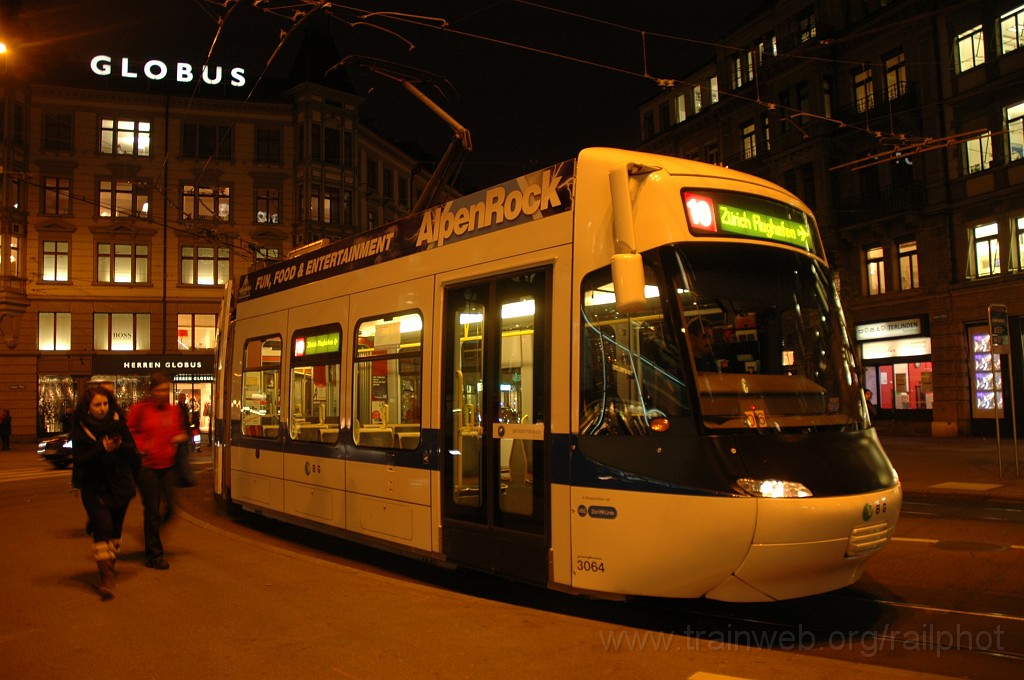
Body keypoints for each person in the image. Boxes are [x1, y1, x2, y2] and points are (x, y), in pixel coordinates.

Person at [69, 385, 140, 599]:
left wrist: (119, 446)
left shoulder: (119, 425)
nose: (102, 408)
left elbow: (133, 452)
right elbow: (79, 461)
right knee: (103, 527)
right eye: (97, 405)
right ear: (87, 407)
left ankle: (109, 563)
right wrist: (101, 448)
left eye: (105, 404)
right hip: (94, 487)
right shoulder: (80, 430)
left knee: (116, 530)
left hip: (119, 486)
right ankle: (106, 577)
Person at [128, 373, 187, 570]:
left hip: (167, 465)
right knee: (152, 511)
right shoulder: (140, 409)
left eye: (166, 390)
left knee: (171, 508)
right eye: (160, 390)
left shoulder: (173, 411)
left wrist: (179, 436)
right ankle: (154, 555)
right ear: (151, 391)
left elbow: (178, 429)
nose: (163, 394)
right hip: (148, 467)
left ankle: (152, 534)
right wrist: (142, 446)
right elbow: (131, 431)